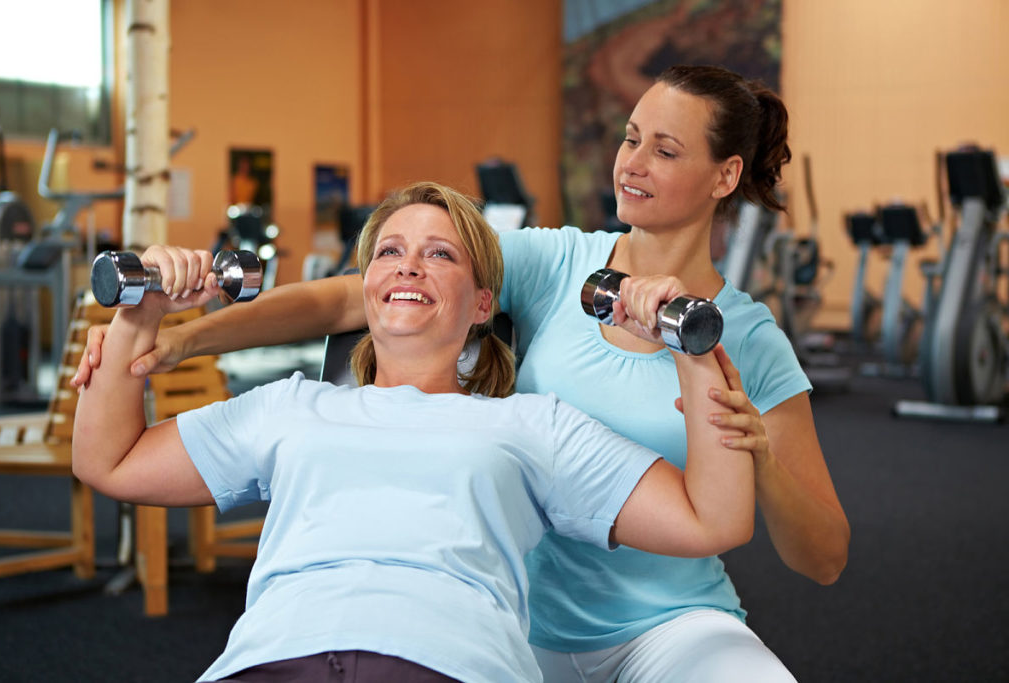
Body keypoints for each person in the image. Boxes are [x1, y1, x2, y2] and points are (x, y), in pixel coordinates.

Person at [74, 65, 850, 681]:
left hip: (662, 623)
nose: (632, 165)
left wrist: (757, 455)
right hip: (514, 613)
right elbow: (353, 295)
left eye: (666, 150)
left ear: (725, 177)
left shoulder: (734, 341)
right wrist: (181, 335)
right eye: (630, 137)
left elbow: (808, 549)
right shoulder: (555, 263)